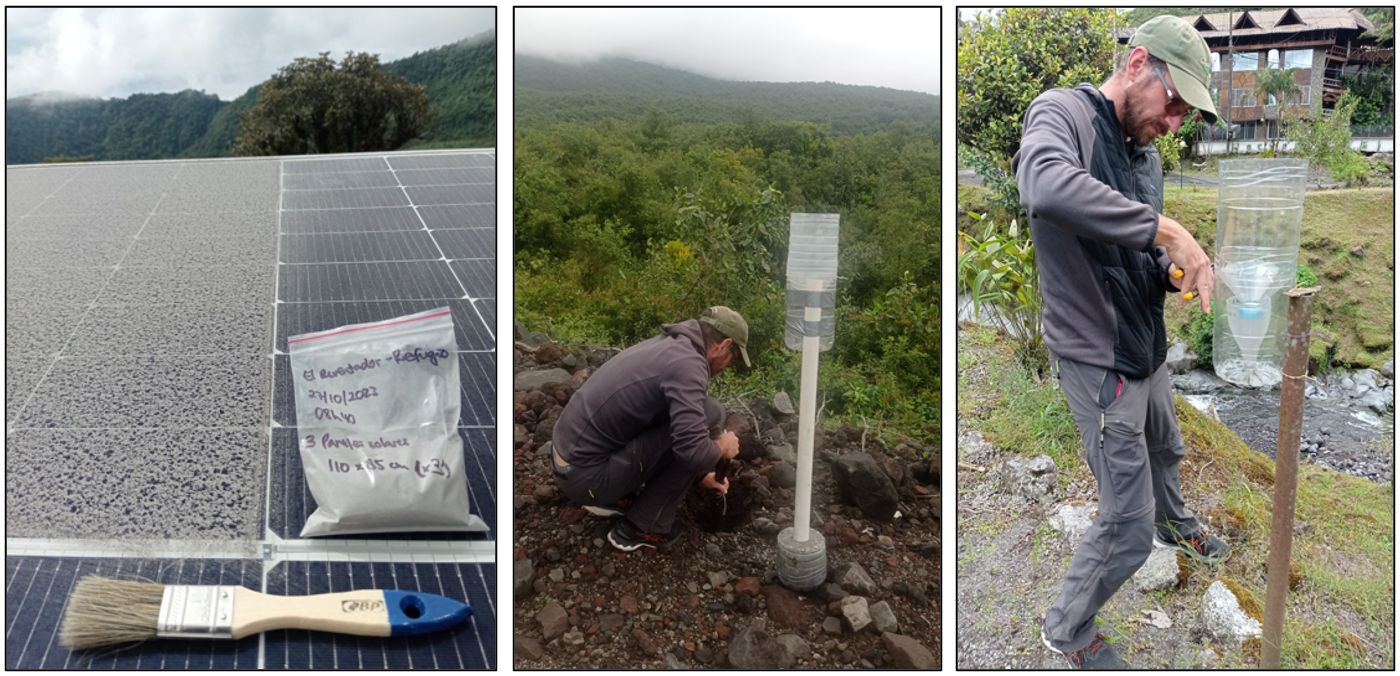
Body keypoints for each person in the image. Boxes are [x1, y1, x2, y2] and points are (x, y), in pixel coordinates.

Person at [1011, 15, 1229, 669]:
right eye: (1174, 104)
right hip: (1097, 358)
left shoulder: (1146, 157)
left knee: (1168, 445)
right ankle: (1068, 628)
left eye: (1188, 114)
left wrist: (1168, 268)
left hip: (1146, 346)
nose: (1175, 124)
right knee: (1124, 523)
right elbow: (1044, 187)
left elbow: (1136, 254)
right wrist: (1168, 232)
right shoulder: (1062, 115)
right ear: (1137, 67)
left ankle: (1177, 523)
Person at [548, 306, 746, 552]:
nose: (728, 364)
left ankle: (615, 495)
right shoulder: (689, 366)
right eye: (733, 356)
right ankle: (646, 525)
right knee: (711, 414)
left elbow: (673, 425)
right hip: (586, 478)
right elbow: (691, 450)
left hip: (567, 460)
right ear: (723, 345)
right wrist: (720, 447)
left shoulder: (670, 344)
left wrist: (700, 475)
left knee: (702, 415)